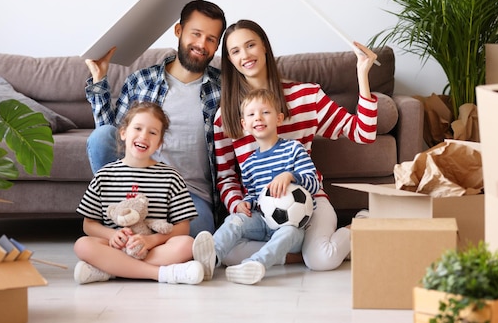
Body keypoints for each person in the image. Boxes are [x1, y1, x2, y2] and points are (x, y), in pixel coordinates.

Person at [214, 19, 378, 271]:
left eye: (250, 45)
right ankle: (302, 253)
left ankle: (358, 228)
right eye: (235, 51)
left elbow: (363, 134)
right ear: (229, 60)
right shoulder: (224, 117)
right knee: (228, 255)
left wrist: (362, 75)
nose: (245, 55)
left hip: (308, 202)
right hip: (264, 212)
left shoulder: (306, 96)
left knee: (321, 261)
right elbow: (226, 178)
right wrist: (237, 203)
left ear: (264, 47)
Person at [84, 0, 226, 238]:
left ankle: (133, 239)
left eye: (211, 39)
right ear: (179, 31)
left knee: (201, 232)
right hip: (137, 188)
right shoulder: (141, 81)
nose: (202, 44)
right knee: (101, 136)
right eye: (196, 34)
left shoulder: (224, 87)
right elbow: (116, 138)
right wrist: (99, 80)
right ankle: (128, 223)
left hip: (190, 196)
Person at [73, 101, 215, 285]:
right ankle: (161, 274)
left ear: (159, 143)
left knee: (186, 244)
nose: (144, 136)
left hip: (153, 248)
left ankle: (110, 269)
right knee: (82, 245)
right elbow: (89, 224)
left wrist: (150, 241)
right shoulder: (104, 176)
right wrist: (111, 236)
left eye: (153, 132)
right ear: (123, 133)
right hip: (116, 247)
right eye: (138, 128)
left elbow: (182, 228)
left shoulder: (170, 177)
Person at [202, 88, 320, 285]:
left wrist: (290, 175)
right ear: (245, 125)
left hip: (291, 227)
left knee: (288, 231)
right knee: (235, 220)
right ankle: (208, 259)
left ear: (279, 118)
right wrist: (244, 204)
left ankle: (255, 265)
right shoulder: (249, 163)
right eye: (251, 114)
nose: (258, 118)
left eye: (265, 112)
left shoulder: (293, 149)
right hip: (262, 221)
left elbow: (314, 183)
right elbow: (254, 194)